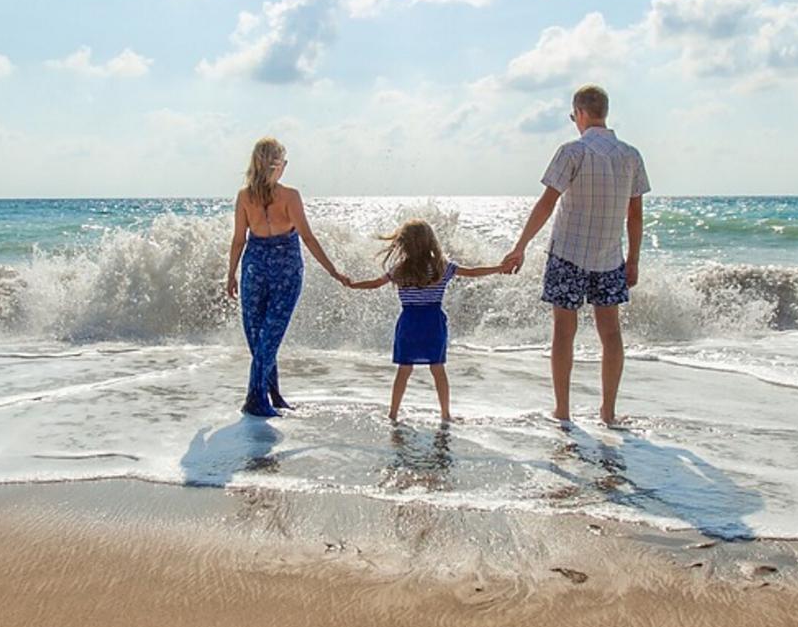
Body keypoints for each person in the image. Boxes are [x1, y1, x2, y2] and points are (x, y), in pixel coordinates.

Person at [503, 84, 650, 426]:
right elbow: (636, 216)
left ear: (581, 113)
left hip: (568, 253)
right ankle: (608, 412)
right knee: (611, 334)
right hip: (610, 257)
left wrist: (520, 246)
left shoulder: (572, 151)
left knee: (564, 333)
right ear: (605, 112)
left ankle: (563, 411)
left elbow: (546, 204)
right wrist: (634, 260)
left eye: (573, 116)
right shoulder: (631, 155)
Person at [226, 137, 349, 417]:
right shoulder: (289, 196)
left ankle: (272, 395)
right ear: (279, 165)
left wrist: (231, 274)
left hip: (254, 266)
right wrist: (333, 270)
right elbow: (306, 236)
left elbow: (238, 241)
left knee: (262, 337)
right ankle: (256, 399)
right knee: (267, 336)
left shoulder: (245, 196)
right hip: (285, 268)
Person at [346, 219, 507, 422]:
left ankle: (393, 413)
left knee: (404, 370)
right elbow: (472, 272)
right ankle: (445, 414)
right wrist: (499, 268)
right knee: (438, 369)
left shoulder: (399, 270)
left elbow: (375, 283)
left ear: (403, 244)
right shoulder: (442, 268)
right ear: (430, 242)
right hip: (433, 324)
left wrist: (352, 284)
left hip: (409, 323)